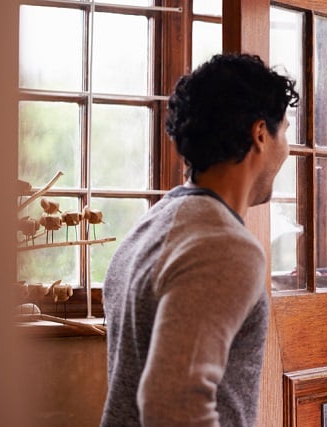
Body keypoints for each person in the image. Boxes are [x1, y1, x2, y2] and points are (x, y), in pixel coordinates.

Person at [101, 53, 298, 426]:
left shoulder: (150, 227)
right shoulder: (223, 247)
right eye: (284, 130)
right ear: (260, 134)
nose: (287, 146)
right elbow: (173, 404)